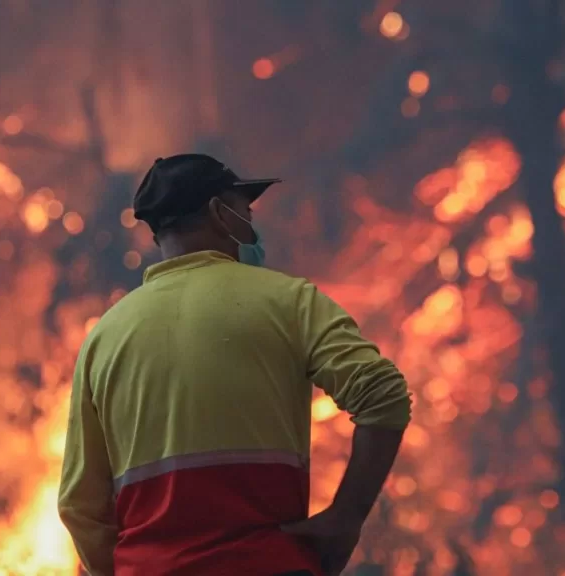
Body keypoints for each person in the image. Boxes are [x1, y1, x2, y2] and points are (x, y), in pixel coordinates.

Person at [58, 154, 412, 576]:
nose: (251, 221)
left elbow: (80, 504)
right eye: (245, 208)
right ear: (217, 213)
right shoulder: (288, 301)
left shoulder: (103, 337)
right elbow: (384, 395)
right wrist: (346, 517)